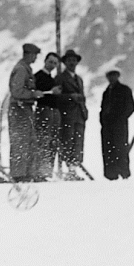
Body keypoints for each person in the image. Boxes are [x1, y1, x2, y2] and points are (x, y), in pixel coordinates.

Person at [8, 43, 44, 182]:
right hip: (19, 110)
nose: (35, 58)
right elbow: (17, 91)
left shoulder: (26, 68)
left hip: (24, 109)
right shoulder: (21, 69)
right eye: (34, 55)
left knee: (29, 141)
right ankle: (19, 175)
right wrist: (34, 94)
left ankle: (28, 174)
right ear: (28, 54)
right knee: (20, 142)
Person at [55, 49, 88, 180]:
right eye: (69, 60)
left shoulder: (79, 79)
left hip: (79, 115)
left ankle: (73, 170)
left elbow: (83, 96)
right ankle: (67, 170)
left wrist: (84, 110)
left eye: (74, 60)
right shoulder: (60, 78)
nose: (72, 63)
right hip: (67, 115)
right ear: (65, 62)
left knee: (78, 142)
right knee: (67, 141)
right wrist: (70, 97)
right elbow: (57, 98)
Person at [99, 70, 134, 180]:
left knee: (120, 149)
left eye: (114, 75)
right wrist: (103, 120)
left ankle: (124, 173)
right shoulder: (106, 92)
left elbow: (131, 107)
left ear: (118, 76)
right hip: (107, 127)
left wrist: (120, 118)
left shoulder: (124, 90)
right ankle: (111, 175)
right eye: (109, 75)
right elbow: (103, 108)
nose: (112, 78)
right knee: (108, 149)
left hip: (119, 126)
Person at [34, 52, 62, 180]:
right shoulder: (38, 76)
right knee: (43, 139)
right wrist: (51, 92)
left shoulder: (52, 79)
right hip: (43, 110)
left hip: (52, 111)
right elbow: (36, 93)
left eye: (55, 63)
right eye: (50, 62)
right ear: (45, 61)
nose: (52, 65)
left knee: (52, 140)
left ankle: (47, 170)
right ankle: (40, 171)